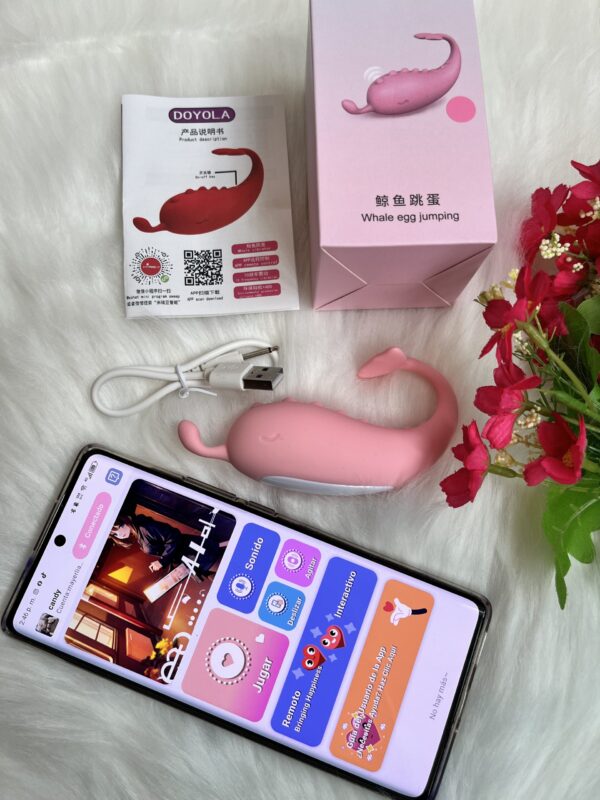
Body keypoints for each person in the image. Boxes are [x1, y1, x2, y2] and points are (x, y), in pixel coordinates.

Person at [109, 512, 229, 577]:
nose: (119, 535)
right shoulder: (140, 534)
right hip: (192, 557)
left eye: (117, 530)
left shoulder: (144, 528)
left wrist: (162, 561)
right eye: (115, 535)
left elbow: (174, 536)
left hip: (196, 553)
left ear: (123, 521)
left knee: (229, 569)